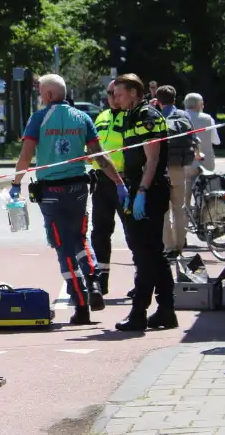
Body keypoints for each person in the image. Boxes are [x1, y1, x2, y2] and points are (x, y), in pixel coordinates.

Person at [11, 74, 124, 325]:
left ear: (49, 95)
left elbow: (26, 156)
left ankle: (80, 304)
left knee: (63, 246)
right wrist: (118, 182)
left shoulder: (39, 119)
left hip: (51, 192)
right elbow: (100, 157)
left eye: (41, 92)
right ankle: (94, 281)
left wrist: (16, 184)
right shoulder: (83, 118)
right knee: (80, 238)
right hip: (78, 188)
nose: (40, 97)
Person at [112, 73, 176, 332]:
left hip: (150, 190)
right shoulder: (131, 115)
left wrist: (141, 192)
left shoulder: (146, 116)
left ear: (135, 93)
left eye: (119, 93)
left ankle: (140, 311)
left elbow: (152, 160)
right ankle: (166, 309)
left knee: (144, 254)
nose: (115, 99)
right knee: (153, 253)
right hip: (141, 188)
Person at [91, 82, 128, 296]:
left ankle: (142, 279)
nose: (113, 97)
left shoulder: (131, 116)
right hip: (101, 182)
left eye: (117, 93)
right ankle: (101, 280)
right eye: (109, 93)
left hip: (124, 180)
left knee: (133, 233)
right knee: (100, 232)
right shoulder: (102, 116)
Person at [155, 85, 194, 256]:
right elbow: (192, 138)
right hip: (179, 166)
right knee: (180, 207)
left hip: (160, 168)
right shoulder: (184, 115)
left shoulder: (155, 116)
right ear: (175, 98)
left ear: (158, 101)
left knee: (164, 210)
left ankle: (169, 246)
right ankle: (179, 244)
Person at [184, 91, 221, 184]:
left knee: (188, 185)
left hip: (187, 160)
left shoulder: (180, 117)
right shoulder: (208, 118)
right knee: (207, 186)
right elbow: (216, 141)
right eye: (202, 104)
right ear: (199, 105)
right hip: (206, 160)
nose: (203, 106)